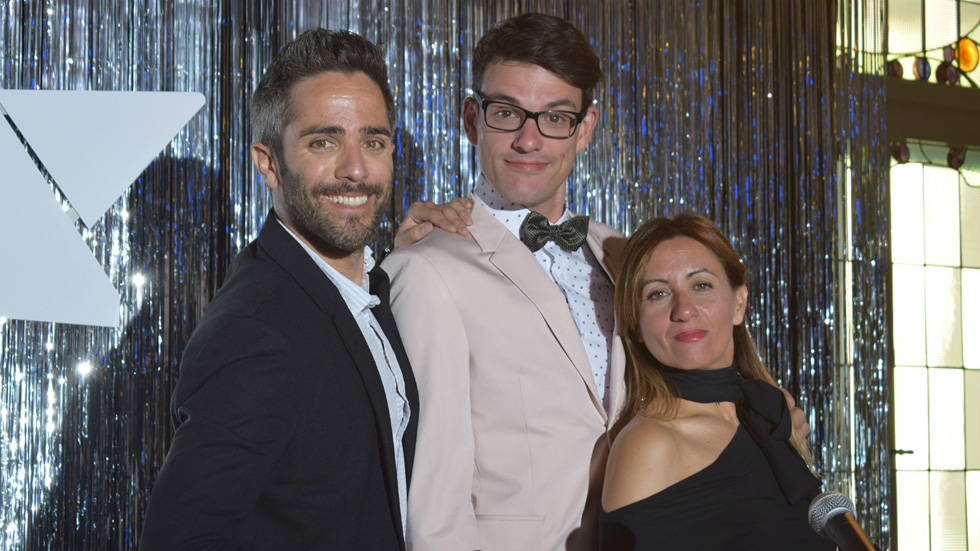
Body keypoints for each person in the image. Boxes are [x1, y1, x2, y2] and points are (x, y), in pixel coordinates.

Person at [382, 13, 810, 551]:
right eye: (507, 113)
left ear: (585, 128)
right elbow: (433, 503)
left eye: (555, 117)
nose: (529, 140)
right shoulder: (426, 270)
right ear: (473, 119)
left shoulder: (625, 255)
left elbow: (696, 367)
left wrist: (763, 409)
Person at [140, 29, 418, 550]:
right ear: (268, 163)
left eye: (372, 142)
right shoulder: (254, 332)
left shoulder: (373, 288)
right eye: (323, 142)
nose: (356, 169)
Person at [600, 213, 834, 550]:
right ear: (635, 324)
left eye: (701, 285)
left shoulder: (768, 416)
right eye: (657, 293)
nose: (684, 309)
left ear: (739, 303)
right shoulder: (650, 444)